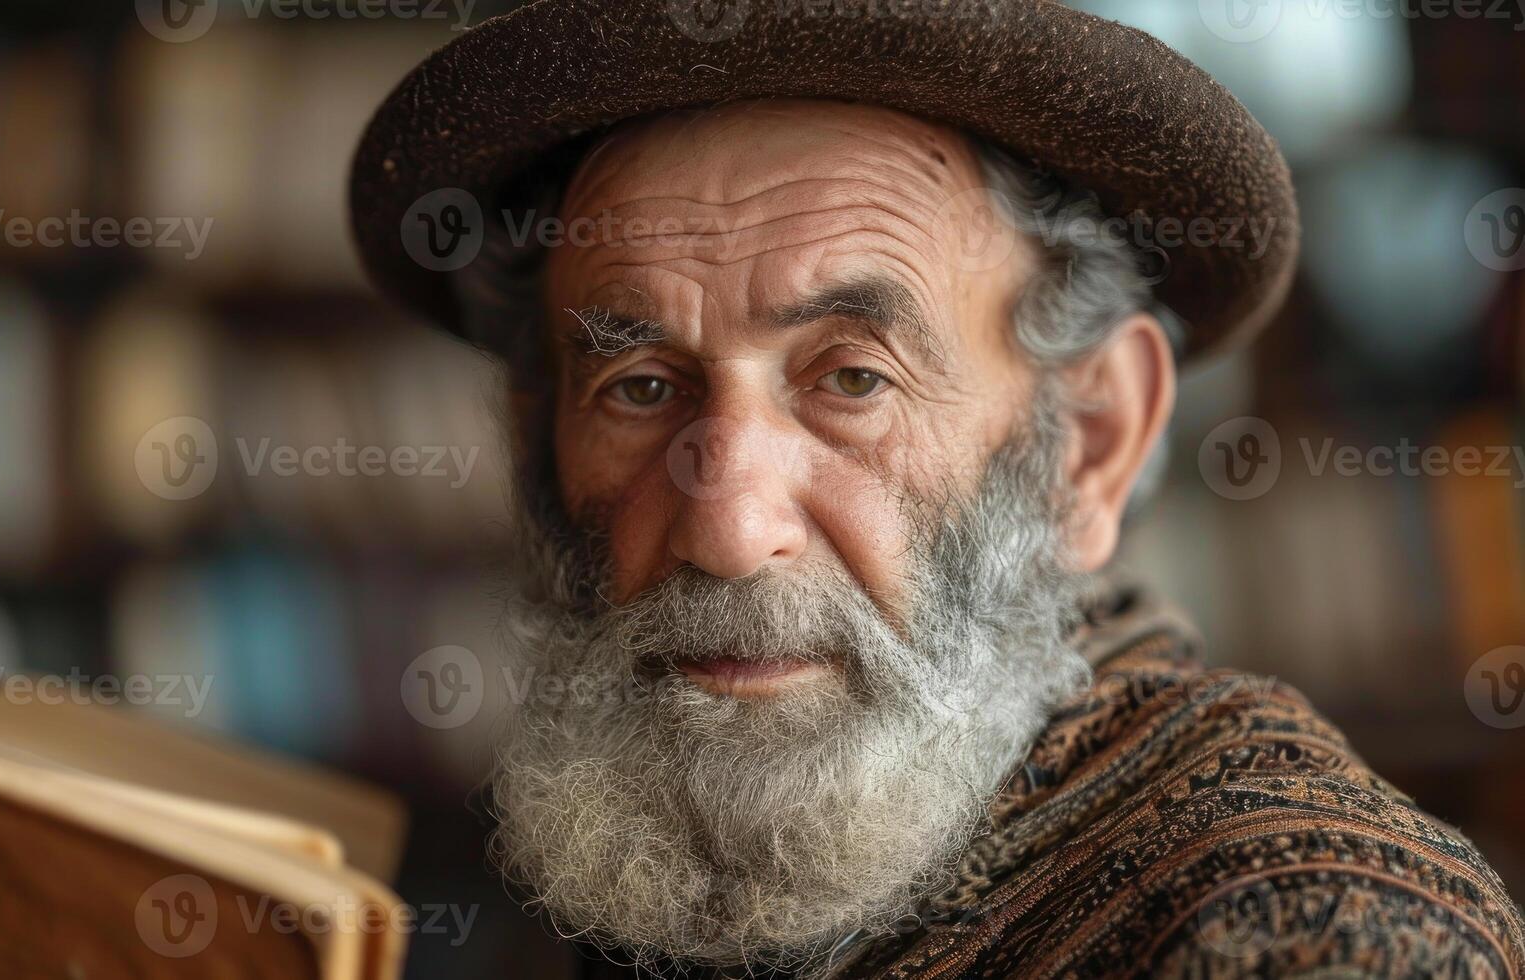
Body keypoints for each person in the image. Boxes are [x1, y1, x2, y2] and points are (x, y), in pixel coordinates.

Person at [350, 2, 1525, 975]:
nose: (726, 524)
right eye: (640, 385)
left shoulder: (1320, 935)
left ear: (1092, 439)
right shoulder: (650, 850)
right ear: (532, 433)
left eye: (852, 378)